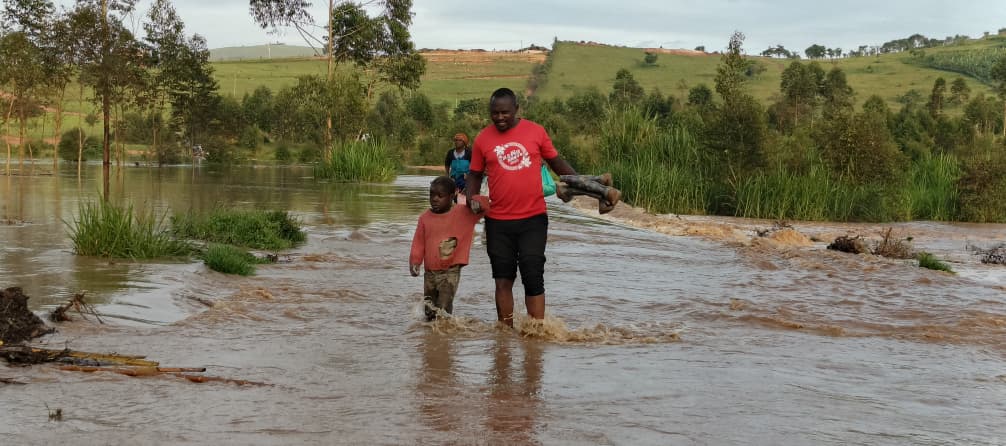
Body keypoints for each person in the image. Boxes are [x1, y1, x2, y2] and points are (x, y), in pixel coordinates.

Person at [465, 87, 579, 327]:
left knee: (532, 274)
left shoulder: (536, 132)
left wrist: (583, 183)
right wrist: (471, 197)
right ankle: (505, 333)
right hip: (497, 221)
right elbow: (474, 174)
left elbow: (557, 163)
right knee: (502, 279)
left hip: (533, 219)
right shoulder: (483, 139)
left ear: (516, 109)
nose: (499, 118)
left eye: (505, 112)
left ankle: (536, 332)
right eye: (494, 113)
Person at [410, 176, 490, 321]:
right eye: (432, 195)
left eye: (440, 196)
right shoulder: (424, 218)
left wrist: (475, 202)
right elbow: (418, 242)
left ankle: (444, 337)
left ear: (451, 196)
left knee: (443, 306)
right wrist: (415, 262)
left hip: (450, 271)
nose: (434, 199)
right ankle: (433, 338)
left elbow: (487, 207)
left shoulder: (462, 213)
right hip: (430, 273)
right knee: (429, 309)